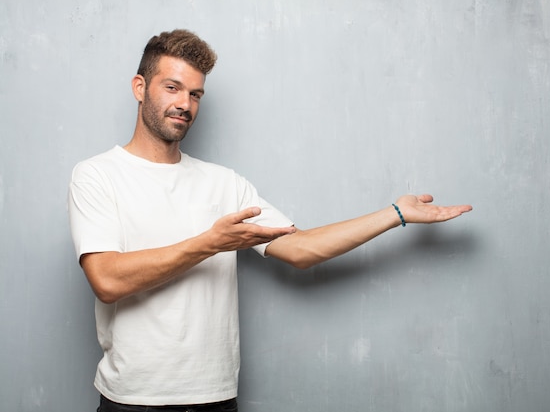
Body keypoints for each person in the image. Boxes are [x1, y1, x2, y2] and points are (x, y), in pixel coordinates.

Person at [68, 29, 472, 412]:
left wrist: (395, 214)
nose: (185, 104)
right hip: (133, 401)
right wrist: (210, 242)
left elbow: (301, 248)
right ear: (140, 88)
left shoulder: (225, 183)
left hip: (216, 398)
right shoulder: (97, 175)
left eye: (195, 94)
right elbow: (107, 280)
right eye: (172, 88)